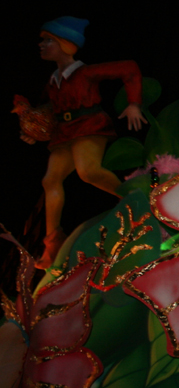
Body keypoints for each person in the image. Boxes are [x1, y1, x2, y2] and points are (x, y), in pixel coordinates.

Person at [18, 17, 147, 269]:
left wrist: (134, 104)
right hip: (65, 132)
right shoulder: (53, 81)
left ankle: (136, 201)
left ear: (66, 45)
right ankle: (53, 243)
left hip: (88, 125)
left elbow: (129, 68)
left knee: (88, 172)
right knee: (50, 180)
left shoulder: (84, 72)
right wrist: (34, 131)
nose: (41, 45)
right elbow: (48, 112)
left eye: (48, 40)